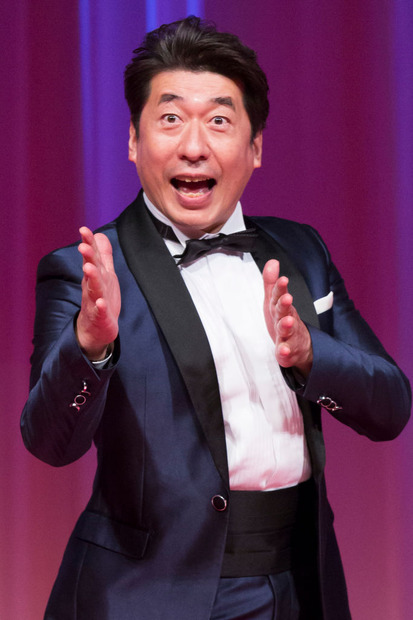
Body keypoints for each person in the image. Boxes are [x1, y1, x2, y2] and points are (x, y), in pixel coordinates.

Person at [21, 16, 411, 620]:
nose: (194, 146)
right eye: (170, 118)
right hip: (146, 593)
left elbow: (390, 409)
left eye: (220, 121)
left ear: (255, 149)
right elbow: (49, 443)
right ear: (134, 140)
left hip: (300, 583)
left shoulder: (302, 251)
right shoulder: (85, 270)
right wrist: (90, 347)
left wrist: (310, 356)